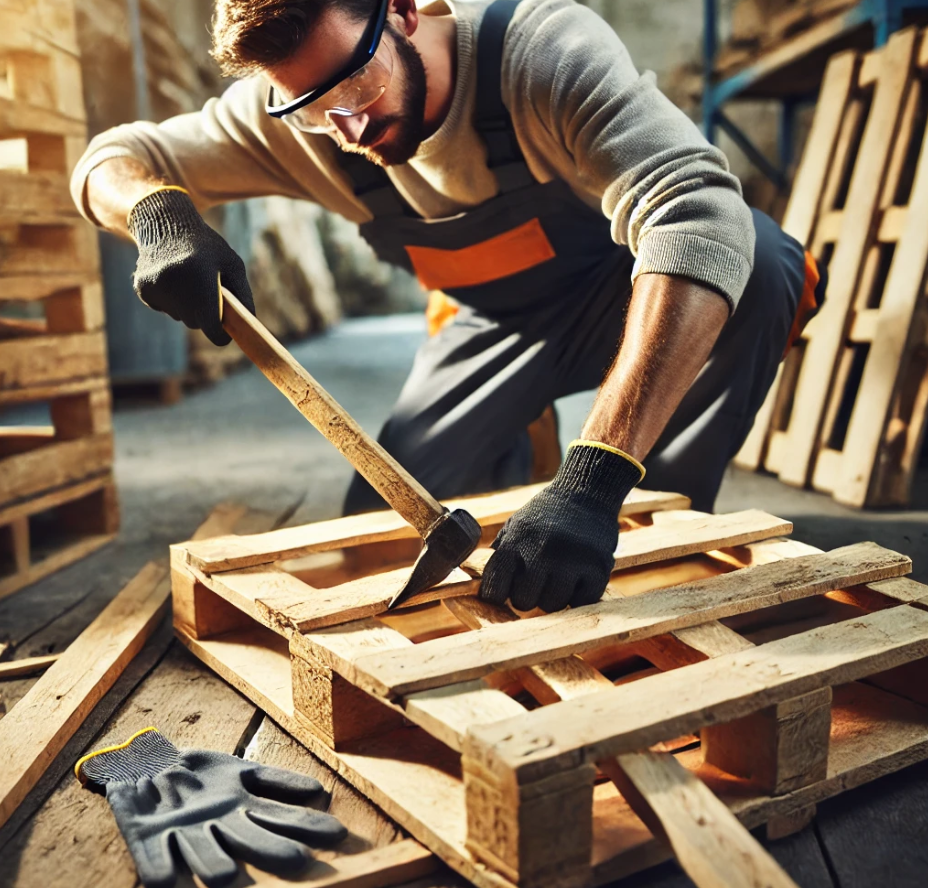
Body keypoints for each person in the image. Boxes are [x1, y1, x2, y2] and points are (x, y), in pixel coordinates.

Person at [71, 0, 824, 614]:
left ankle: (664, 529)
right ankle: (517, 458)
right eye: (313, 107)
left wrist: (593, 478)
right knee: (379, 542)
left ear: (401, 11)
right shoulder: (303, 115)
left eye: (357, 88)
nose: (349, 127)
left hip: (622, 298)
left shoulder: (541, 52)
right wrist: (156, 214)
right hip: (492, 329)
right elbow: (107, 158)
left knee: (758, 259)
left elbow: (697, 213)